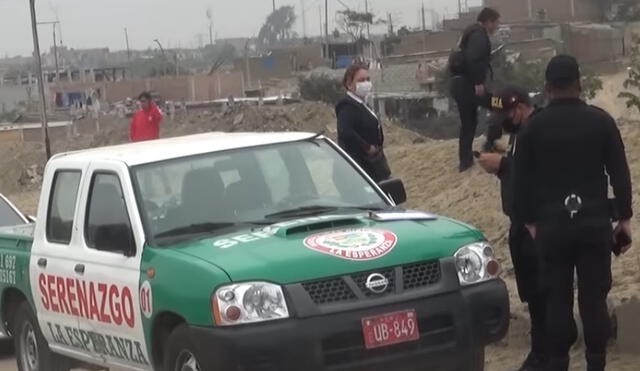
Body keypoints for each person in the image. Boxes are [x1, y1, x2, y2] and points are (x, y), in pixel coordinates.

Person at [513, 55, 633, 371]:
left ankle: (557, 363)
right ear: (580, 83)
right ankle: (596, 363)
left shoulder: (532, 128)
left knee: (556, 301)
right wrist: (625, 219)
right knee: (593, 300)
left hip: (551, 226)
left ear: (547, 87)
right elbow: (620, 173)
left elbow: (519, 185)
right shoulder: (601, 121)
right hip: (594, 223)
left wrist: (530, 223)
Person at [478, 86, 547, 371]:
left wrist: (504, 164)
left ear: (518, 109)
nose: (502, 121)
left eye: (505, 114)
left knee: (544, 294)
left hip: (537, 227)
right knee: (531, 293)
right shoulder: (520, 133)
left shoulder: (539, 130)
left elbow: (537, 173)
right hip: (520, 224)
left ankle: (545, 355)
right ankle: (540, 350)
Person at [450, 7, 500, 172]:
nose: (496, 27)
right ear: (488, 21)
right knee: (499, 105)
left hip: (459, 84)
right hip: (470, 85)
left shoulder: (470, 32)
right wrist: (478, 82)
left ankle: (465, 162)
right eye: (495, 23)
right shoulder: (479, 35)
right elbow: (473, 60)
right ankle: (491, 143)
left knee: (469, 123)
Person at [336, 63, 391, 182]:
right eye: (361, 80)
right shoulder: (347, 106)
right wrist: (366, 147)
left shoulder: (362, 104)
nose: (365, 83)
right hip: (358, 167)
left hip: (374, 164)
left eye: (367, 79)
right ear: (349, 84)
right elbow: (345, 131)